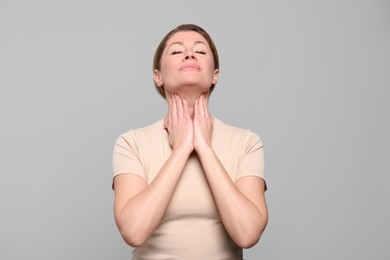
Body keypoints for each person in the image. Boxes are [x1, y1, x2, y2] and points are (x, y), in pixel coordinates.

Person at [112, 24, 268, 260]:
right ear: (158, 76)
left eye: (201, 51)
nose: (189, 54)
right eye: (176, 51)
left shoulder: (246, 142)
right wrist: (182, 149)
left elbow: (248, 234)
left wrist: (204, 148)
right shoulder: (131, 143)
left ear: (215, 75)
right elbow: (134, 231)